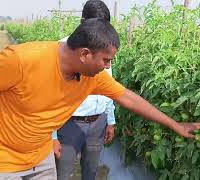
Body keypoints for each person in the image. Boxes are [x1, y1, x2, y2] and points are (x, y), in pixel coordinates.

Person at [0, 17, 200, 179]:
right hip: (0, 158)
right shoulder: (23, 60)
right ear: (85, 54)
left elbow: (128, 98)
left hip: (39, 156)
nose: (108, 65)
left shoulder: (92, 77)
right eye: (106, 59)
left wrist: (175, 124)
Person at [52, 1, 117, 180]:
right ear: (82, 22)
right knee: (64, 173)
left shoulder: (105, 48)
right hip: (68, 123)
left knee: (91, 171)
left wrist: (110, 119)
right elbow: (50, 95)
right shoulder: (63, 49)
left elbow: (109, 86)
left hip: (98, 123)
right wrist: (52, 135)